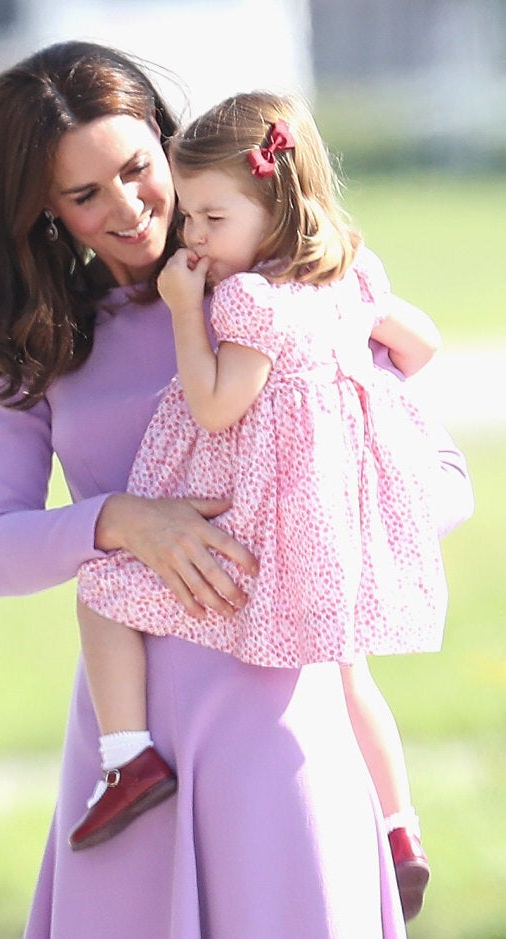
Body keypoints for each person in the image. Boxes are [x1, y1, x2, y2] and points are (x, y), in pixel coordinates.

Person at [0, 41, 473, 939]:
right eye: (84, 195)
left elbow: (443, 482)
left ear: (164, 136)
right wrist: (121, 522)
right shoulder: (41, 343)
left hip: (284, 722)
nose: (130, 207)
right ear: (43, 209)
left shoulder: (286, 291)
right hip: (130, 759)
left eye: (138, 168)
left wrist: (308, 510)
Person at [70, 91, 448, 920]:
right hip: (331, 530)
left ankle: (127, 755)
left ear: (276, 210)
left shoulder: (246, 303)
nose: (193, 238)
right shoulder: (350, 271)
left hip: (262, 525)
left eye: (211, 218)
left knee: (103, 586)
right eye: (191, 216)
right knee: (350, 677)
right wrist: (355, 373)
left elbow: (213, 406)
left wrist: (182, 314)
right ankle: (398, 824)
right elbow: (422, 346)